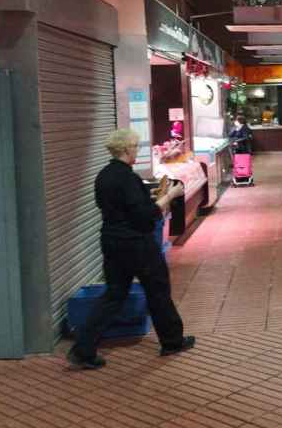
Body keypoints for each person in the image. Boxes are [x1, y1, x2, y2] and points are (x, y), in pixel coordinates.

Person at [68, 129, 195, 370]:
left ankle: (83, 348)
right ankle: (172, 341)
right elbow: (144, 215)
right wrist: (170, 196)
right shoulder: (128, 178)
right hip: (137, 244)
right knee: (157, 289)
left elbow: (115, 206)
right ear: (126, 150)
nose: (137, 151)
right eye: (135, 147)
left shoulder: (104, 175)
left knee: (114, 294)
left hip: (111, 241)